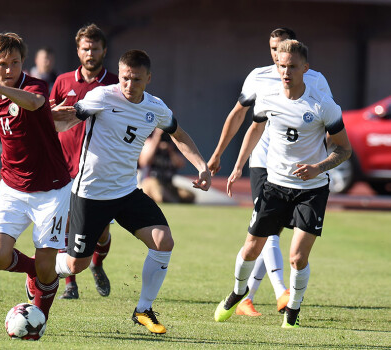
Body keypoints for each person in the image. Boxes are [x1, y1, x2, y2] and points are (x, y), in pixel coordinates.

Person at [53, 49, 211, 334]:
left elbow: (179, 134)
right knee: (75, 265)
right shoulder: (102, 97)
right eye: (125, 77)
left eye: (136, 79)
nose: (129, 84)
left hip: (126, 192)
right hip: (90, 193)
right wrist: (45, 120)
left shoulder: (156, 107)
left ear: (148, 78)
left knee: (163, 241)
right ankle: (41, 269)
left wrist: (201, 165)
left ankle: (143, 310)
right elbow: (69, 120)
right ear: (119, 73)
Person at [214, 39, 352, 328]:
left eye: (291, 67)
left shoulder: (323, 105)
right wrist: (239, 165)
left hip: (312, 190)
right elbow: (255, 128)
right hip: (274, 185)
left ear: (305, 68)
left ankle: (293, 309)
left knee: (297, 258)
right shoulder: (267, 98)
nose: (285, 72)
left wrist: (318, 167)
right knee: (251, 247)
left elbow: (344, 149)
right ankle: (239, 292)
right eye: (280, 66)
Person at [0, 33, 72, 324]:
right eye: (3, 64)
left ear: (23, 63)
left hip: (51, 189)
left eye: (16, 62)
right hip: (12, 187)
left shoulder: (33, 85)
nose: (10, 69)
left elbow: (36, 101)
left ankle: (37, 321)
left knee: (49, 266)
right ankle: (32, 272)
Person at [50, 23, 118, 300]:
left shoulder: (115, 84)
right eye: (85, 48)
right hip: (63, 167)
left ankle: (97, 264)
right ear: (78, 50)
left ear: (104, 50)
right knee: (65, 226)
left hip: (98, 168)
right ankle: (69, 284)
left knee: (100, 232)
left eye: (95, 48)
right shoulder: (63, 81)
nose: (90, 53)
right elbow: (48, 119)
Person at [138, 128, 195, 203]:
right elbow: (144, 162)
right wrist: (157, 138)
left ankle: (171, 200)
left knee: (188, 195)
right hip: (150, 181)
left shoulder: (172, 147)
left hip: (167, 183)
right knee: (160, 195)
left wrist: (171, 150)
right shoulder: (149, 142)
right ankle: (171, 201)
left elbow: (181, 164)